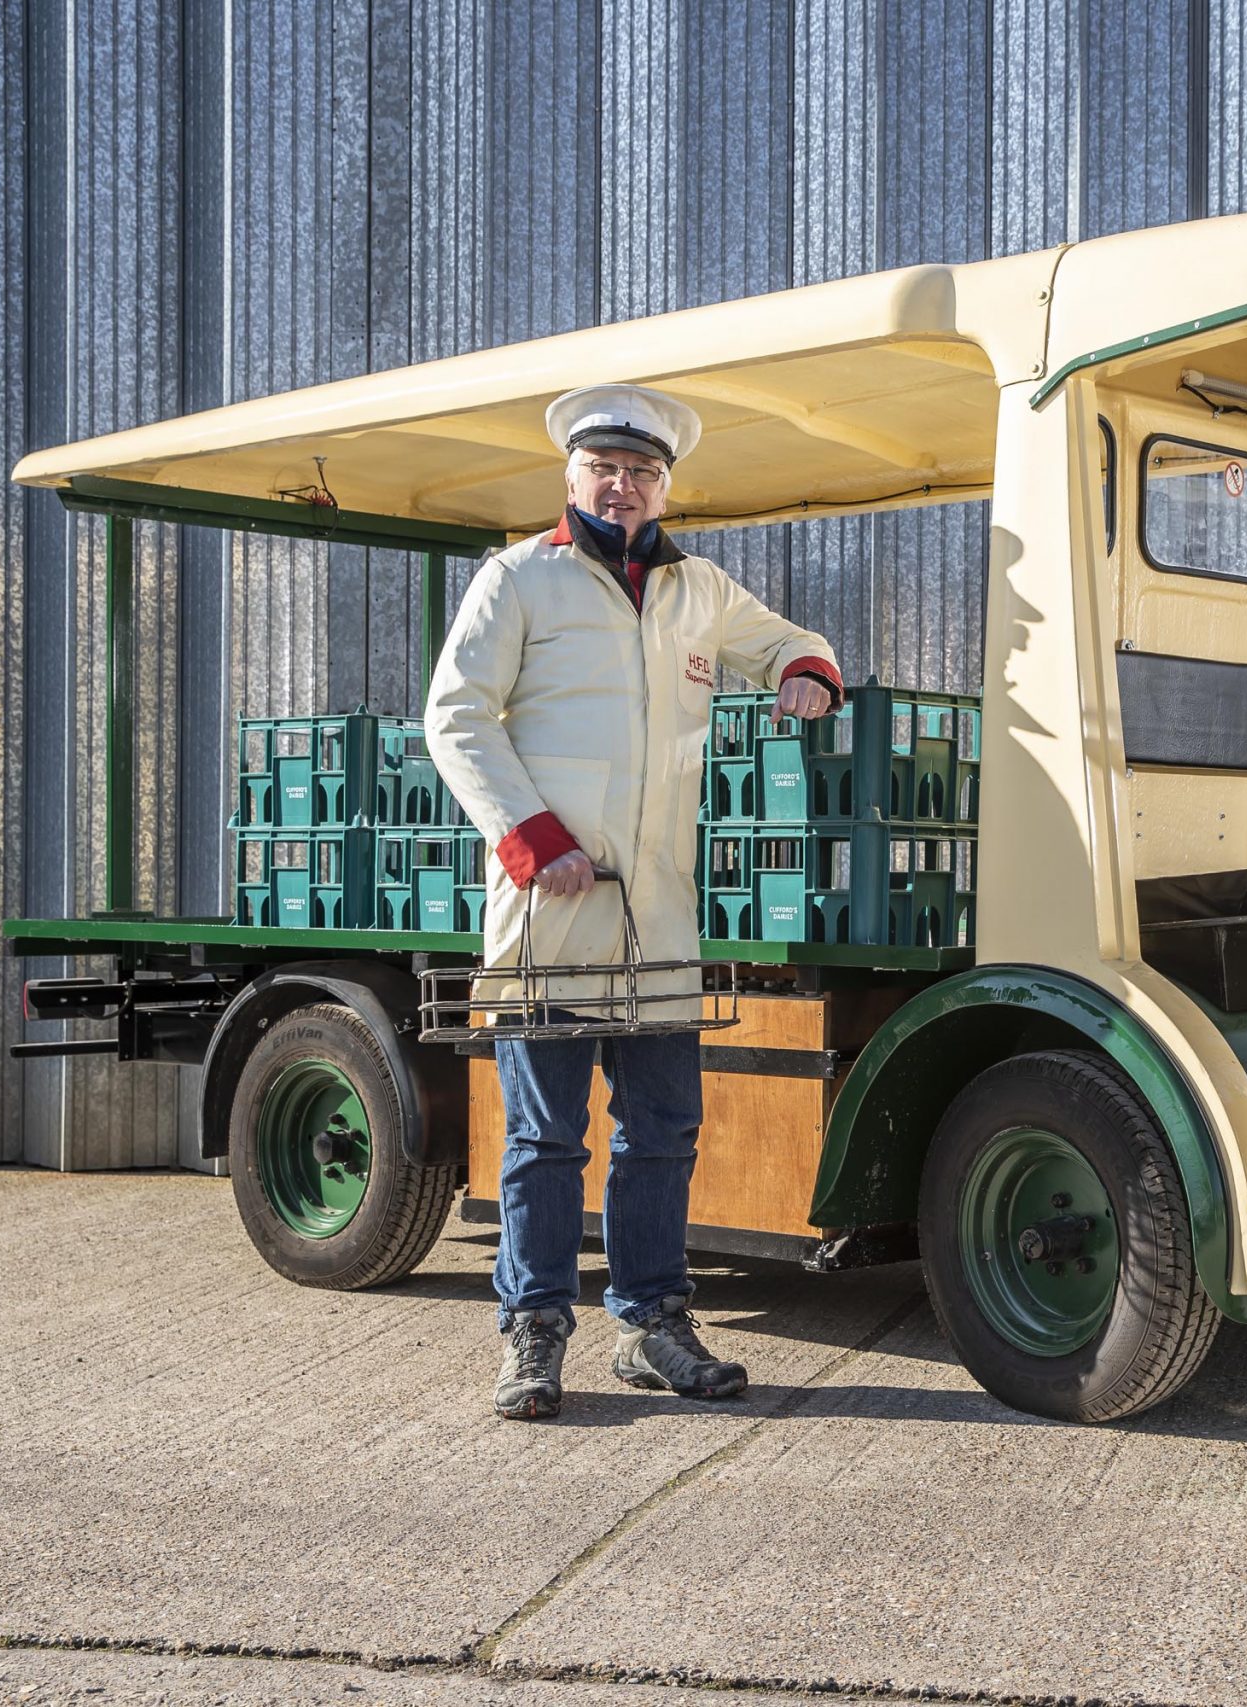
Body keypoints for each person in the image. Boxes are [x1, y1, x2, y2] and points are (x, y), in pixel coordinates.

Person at [425, 383, 843, 1420]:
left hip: (657, 915)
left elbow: (793, 640)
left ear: (666, 484)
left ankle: (653, 1325)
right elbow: (456, 717)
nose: (622, 487)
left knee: (661, 1133)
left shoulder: (700, 588)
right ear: (572, 476)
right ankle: (533, 1335)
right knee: (544, 1142)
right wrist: (533, 838)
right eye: (604, 469)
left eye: (642, 472)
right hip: (553, 907)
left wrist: (807, 672)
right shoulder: (520, 579)